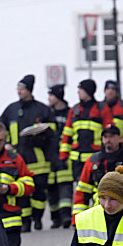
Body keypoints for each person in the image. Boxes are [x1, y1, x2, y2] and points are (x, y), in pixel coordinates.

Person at [0, 74, 57, 231]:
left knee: (39, 190)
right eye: (18, 89)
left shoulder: (42, 109)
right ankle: (25, 221)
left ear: (29, 90)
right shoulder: (11, 110)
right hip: (17, 157)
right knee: (21, 191)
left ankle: (37, 218)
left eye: (22, 89)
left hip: (38, 158)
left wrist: (41, 134)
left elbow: (53, 133)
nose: (19, 91)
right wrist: (5, 145)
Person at [72, 125, 123, 220]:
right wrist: (77, 219)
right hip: (99, 214)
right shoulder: (92, 160)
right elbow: (82, 191)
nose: (108, 140)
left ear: (120, 138)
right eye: (105, 137)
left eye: (111, 136)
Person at [59, 79, 114, 184]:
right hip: (77, 160)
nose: (78, 92)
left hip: (96, 158)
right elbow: (67, 134)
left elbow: (110, 133)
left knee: (97, 190)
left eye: (81, 89)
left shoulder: (102, 109)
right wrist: (63, 155)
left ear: (88, 91)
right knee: (81, 191)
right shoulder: (74, 110)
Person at [47, 84, 73, 228]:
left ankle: (65, 216)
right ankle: (55, 218)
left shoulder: (69, 113)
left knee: (65, 186)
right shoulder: (47, 112)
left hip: (64, 155)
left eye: (51, 95)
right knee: (51, 188)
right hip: (50, 156)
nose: (49, 98)